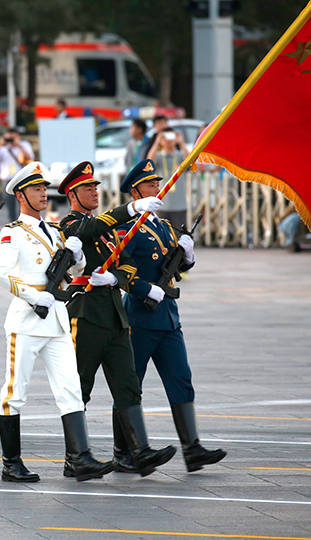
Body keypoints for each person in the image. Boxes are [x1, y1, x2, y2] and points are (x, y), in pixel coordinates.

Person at [0, 161, 111, 483]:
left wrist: (78, 254)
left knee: (71, 389)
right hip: (27, 321)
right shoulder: (13, 232)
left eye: (44, 188)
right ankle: (11, 463)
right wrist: (33, 296)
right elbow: (0, 273)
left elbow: (75, 271)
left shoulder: (57, 231)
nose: (44, 194)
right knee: (15, 392)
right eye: (36, 189)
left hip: (56, 320)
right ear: (20, 195)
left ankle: (79, 458)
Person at [58, 161, 177, 478]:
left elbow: (127, 263)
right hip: (85, 315)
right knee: (79, 387)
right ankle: (75, 458)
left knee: (127, 385)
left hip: (114, 315)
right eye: (87, 188)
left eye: (95, 187)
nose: (94, 192)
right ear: (72, 195)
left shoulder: (106, 229)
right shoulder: (69, 225)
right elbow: (89, 230)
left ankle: (138, 451)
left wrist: (114, 278)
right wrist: (131, 208)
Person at [119, 159, 226, 472]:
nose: (157, 188)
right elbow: (118, 268)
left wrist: (188, 255)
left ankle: (192, 449)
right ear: (135, 192)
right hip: (140, 316)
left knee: (181, 379)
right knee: (130, 386)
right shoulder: (127, 228)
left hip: (167, 316)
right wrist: (143, 289)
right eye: (150, 185)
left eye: (158, 183)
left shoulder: (164, 226)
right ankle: (123, 453)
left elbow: (175, 265)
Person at [0, 128, 34, 223]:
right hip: (7, 181)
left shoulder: (24, 145)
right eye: (8, 138)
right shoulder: (3, 148)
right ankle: (13, 223)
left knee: (23, 204)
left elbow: (29, 157)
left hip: (21, 180)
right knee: (10, 206)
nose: (10, 141)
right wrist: (0, 144)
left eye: (12, 138)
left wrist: (19, 145)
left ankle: (24, 223)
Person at [150, 127, 190, 230]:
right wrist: (157, 142)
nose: (168, 140)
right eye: (165, 137)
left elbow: (191, 161)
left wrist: (181, 143)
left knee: (179, 235)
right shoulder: (159, 156)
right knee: (162, 235)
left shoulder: (180, 155)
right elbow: (149, 162)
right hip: (161, 205)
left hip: (179, 205)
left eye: (171, 137)